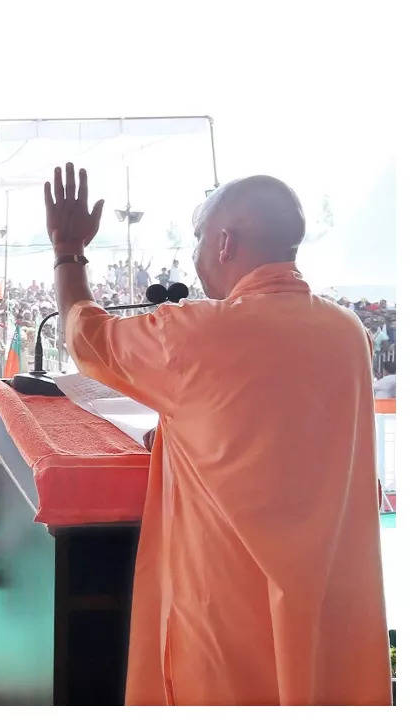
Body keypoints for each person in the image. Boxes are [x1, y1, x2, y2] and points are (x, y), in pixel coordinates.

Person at [45, 163, 390, 705]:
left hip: (228, 622)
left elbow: (86, 336)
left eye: (200, 238)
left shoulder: (198, 333)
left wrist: (68, 251)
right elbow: (276, 430)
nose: (196, 254)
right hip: (330, 613)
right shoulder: (349, 334)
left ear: (225, 242)